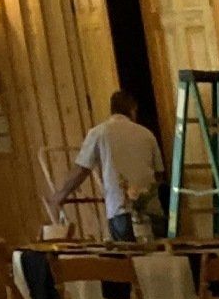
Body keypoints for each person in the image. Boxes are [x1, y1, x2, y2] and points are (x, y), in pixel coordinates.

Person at [52, 92, 164, 243]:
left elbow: (81, 170)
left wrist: (61, 194)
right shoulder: (147, 134)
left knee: (127, 256)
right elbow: (159, 174)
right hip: (151, 209)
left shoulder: (99, 133)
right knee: (156, 254)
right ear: (133, 109)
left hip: (121, 209)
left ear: (112, 109)